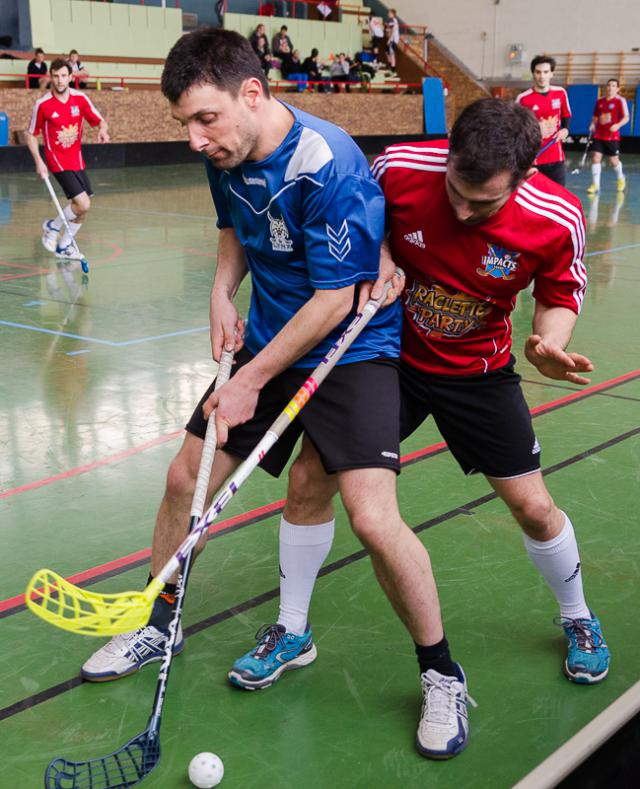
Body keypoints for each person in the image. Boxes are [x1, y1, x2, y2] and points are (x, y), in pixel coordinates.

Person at [80, 27, 471, 762]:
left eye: (206, 119)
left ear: (252, 93)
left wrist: (252, 379)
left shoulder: (328, 164)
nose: (196, 139)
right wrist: (221, 297)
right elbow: (233, 229)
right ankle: (158, 620)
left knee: (371, 515)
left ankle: (441, 671)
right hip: (265, 336)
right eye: (184, 124)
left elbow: (333, 297)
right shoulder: (224, 152)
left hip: (350, 345)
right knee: (181, 479)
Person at [226, 98, 610, 736]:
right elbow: (360, 228)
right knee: (309, 480)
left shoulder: (555, 216)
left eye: (480, 205)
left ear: (523, 177)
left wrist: (547, 340)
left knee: (533, 507)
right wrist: (377, 259)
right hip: (387, 361)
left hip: (477, 374)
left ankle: (576, 614)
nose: (461, 211)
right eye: (455, 191)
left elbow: (559, 291)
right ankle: (293, 628)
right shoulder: (399, 168)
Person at [26, 58, 109, 260]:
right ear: (51, 77)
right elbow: (30, 134)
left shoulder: (80, 99)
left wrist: (103, 131)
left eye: (64, 76)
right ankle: (52, 226)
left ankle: (64, 247)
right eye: (56, 76)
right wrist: (39, 161)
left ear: (71, 77)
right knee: (83, 203)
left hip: (76, 159)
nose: (60, 80)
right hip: (56, 159)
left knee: (81, 209)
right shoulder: (43, 104)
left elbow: (100, 121)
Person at [516, 55, 571, 186]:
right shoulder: (523, 98)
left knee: (558, 199)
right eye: (538, 72)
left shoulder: (561, 93)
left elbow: (566, 115)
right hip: (532, 159)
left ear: (552, 73)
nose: (542, 76)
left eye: (546, 72)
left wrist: (565, 130)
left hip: (556, 157)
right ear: (533, 74)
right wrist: (534, 128)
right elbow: (514, 127)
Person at [587, 78, 629, 195]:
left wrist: (617, 125)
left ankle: (621, 178)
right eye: (609, 85)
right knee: (596, 157)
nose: (610, 88)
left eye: (613, 86)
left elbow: (626, 117)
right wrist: (592, 124)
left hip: (612, 136)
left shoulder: (620, 101)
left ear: (618, 89)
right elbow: (595, 116)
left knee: (613, 161)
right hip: (599, 135)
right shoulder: (600, 101)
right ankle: (595, 185)